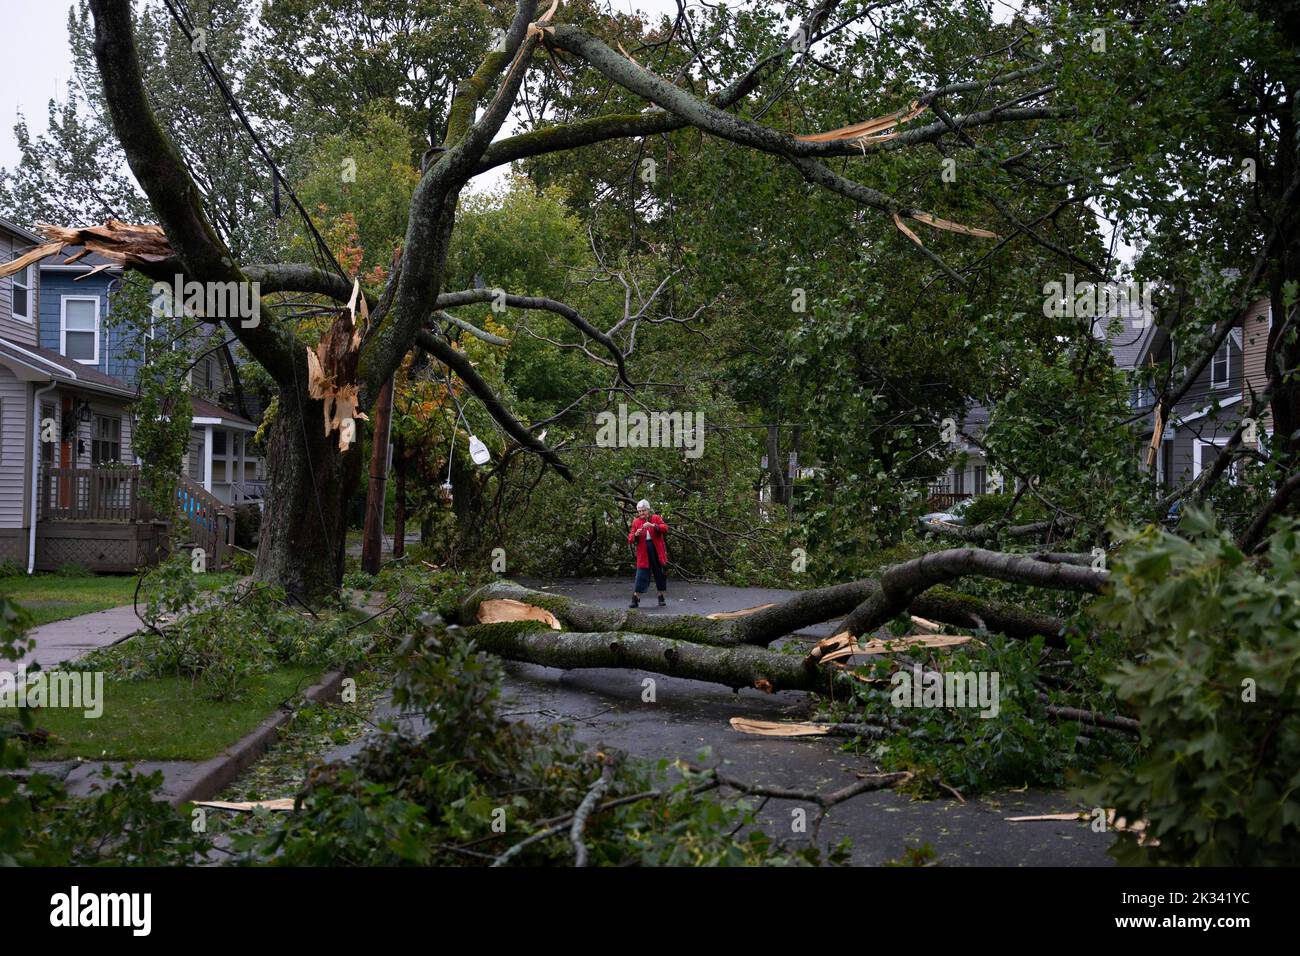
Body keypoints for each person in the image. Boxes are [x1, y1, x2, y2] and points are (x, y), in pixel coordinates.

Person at [628, 499, 669, 608]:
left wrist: (653, 525)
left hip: (656, 550)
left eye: (643, 511)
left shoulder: (655, 518)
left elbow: (665, 528)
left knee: (659, 573)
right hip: (643, 552)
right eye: (640, 511)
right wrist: (636, 534)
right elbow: (631, 538)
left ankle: (661, 596)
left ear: (648, 510)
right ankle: (635, 598)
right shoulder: (636, 522)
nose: (641, 513)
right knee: (641, 573)